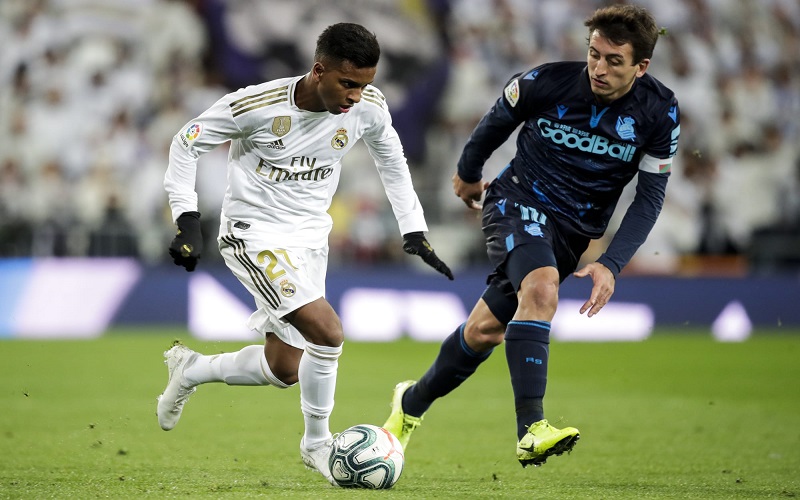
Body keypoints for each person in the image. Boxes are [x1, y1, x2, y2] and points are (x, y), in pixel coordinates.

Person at [157, 22, 453, 486]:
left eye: (364, 85)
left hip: (311, 240)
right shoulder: (256, 106)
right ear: (318, 71)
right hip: (253, 235)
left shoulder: (368, 108)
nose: (355, 96)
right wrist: (187, 218)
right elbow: (185, 142)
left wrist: (413, 227)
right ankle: (317, 444)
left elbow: (392, 160)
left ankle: (192, 369)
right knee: (327, 331)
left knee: (285, 368)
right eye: (348, 83)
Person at [384, 4, 680, 468]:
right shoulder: (546, 82)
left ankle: (410, 404)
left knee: (483, 332)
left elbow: (649, 197)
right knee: (542, 288)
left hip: (572, 234)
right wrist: (468, 174)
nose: (599, 68)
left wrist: (611, 263)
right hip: (517, 201)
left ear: (640, 67)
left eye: (614, 61)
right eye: (594, 54)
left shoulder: (660, 111)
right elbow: (494, 124)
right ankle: (531, 429)